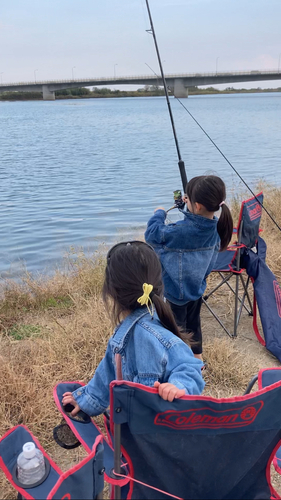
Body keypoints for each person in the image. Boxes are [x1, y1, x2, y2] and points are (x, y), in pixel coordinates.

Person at [62, 240, 204, 417]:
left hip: (155, 432)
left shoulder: (161, 339)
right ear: (159, 286)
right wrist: (87, 399)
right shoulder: (121, 339)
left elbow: (191, 368)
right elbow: (107, 373)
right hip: (139, 427)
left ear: (111, 292)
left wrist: (178, 386)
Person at [145, 175, 233, 361]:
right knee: (194, 324)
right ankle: (198, 359)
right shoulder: (218, 226)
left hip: (176, 292)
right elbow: (196, 226)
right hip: (197, 287)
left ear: (198, 205)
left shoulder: (179, 231)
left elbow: (152, 234)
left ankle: (179, 362)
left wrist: (159, 213)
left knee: (175, 329)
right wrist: (190, 206)